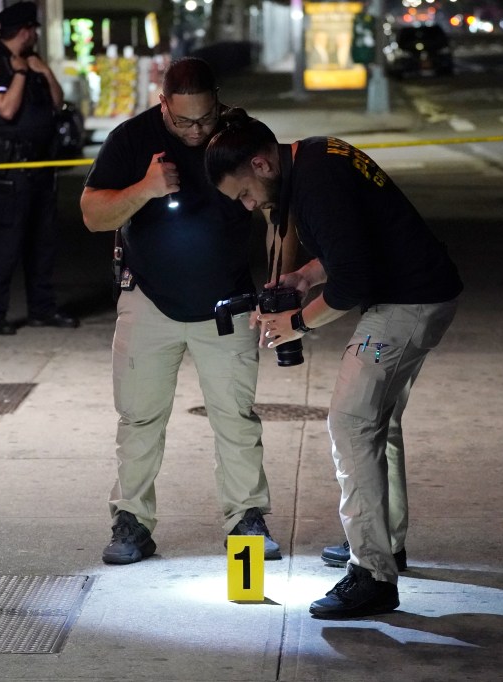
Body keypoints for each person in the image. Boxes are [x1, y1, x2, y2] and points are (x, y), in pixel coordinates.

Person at [205, 110, 463, 619]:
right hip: (423, 290)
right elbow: (354, 242)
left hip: (405, 304)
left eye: (244, 194)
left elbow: (351, 284)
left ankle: (371, 575)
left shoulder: (315, 185)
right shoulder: (316, 156)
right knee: (377, 425)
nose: (249, 205)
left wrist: (296, 323)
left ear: (261, 163)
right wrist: (304, 275)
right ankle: (382, 545)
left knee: (349, 422)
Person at [79, 57, 280, 565]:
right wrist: (144, 188)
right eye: (184, 121)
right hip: (149, 301)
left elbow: (280, 208)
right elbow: (92, 215)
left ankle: (246, 521)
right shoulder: (131, 139)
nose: (196, 131)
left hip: (226, 304)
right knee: (140, 418)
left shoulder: (240, 137)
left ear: (219, 102)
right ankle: (132, 520)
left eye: (205, 119)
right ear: (163, 103)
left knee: (235, 419)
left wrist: (282, 278)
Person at [0, 1, 79, 335]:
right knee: (7, 245)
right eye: (33, 30)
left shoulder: (35, 63)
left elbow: (57, 102)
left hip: (41, 166)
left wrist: (44, 71)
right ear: (24, 31)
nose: (35, 34)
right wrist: (20, 72)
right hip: (11, 169)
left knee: (43, 244)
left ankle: (42, 309)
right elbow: (5, 110)